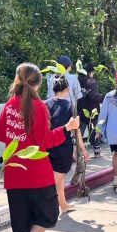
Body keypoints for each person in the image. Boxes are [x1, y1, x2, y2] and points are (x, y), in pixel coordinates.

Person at [0, 63, 80, 232]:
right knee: (49, 213)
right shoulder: (38, 106)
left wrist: (17, 139)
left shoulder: (10, 105)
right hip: (36, 173)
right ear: (39, 84)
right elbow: (46, 141)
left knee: (20, 221)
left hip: (14, 171)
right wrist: (67, 128)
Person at [45, 76, 81, 214]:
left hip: (49, 145)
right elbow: (76, 130)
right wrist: (82, 149)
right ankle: (43, 209)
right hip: (63, 146)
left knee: (60, 179)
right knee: (55, 181)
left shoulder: (45, 104)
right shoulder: (69, 106)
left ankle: (63, 205)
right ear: (67, 89)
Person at [96, 70, 117, 193]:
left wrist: (98, 130)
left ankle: (116, 179)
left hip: (111, 132)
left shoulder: (109, 96)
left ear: (116, 82)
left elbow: (103, 115)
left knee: (116, 154)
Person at [77, 62, 104, 157]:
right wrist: (104, 97)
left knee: (79, 133)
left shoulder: (78, 81)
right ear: (91, 72)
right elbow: (94, 97)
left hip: (81, 110)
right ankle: (96, 152)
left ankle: (76, 153)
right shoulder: (92, 82)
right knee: (93, 132)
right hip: (92, 111)